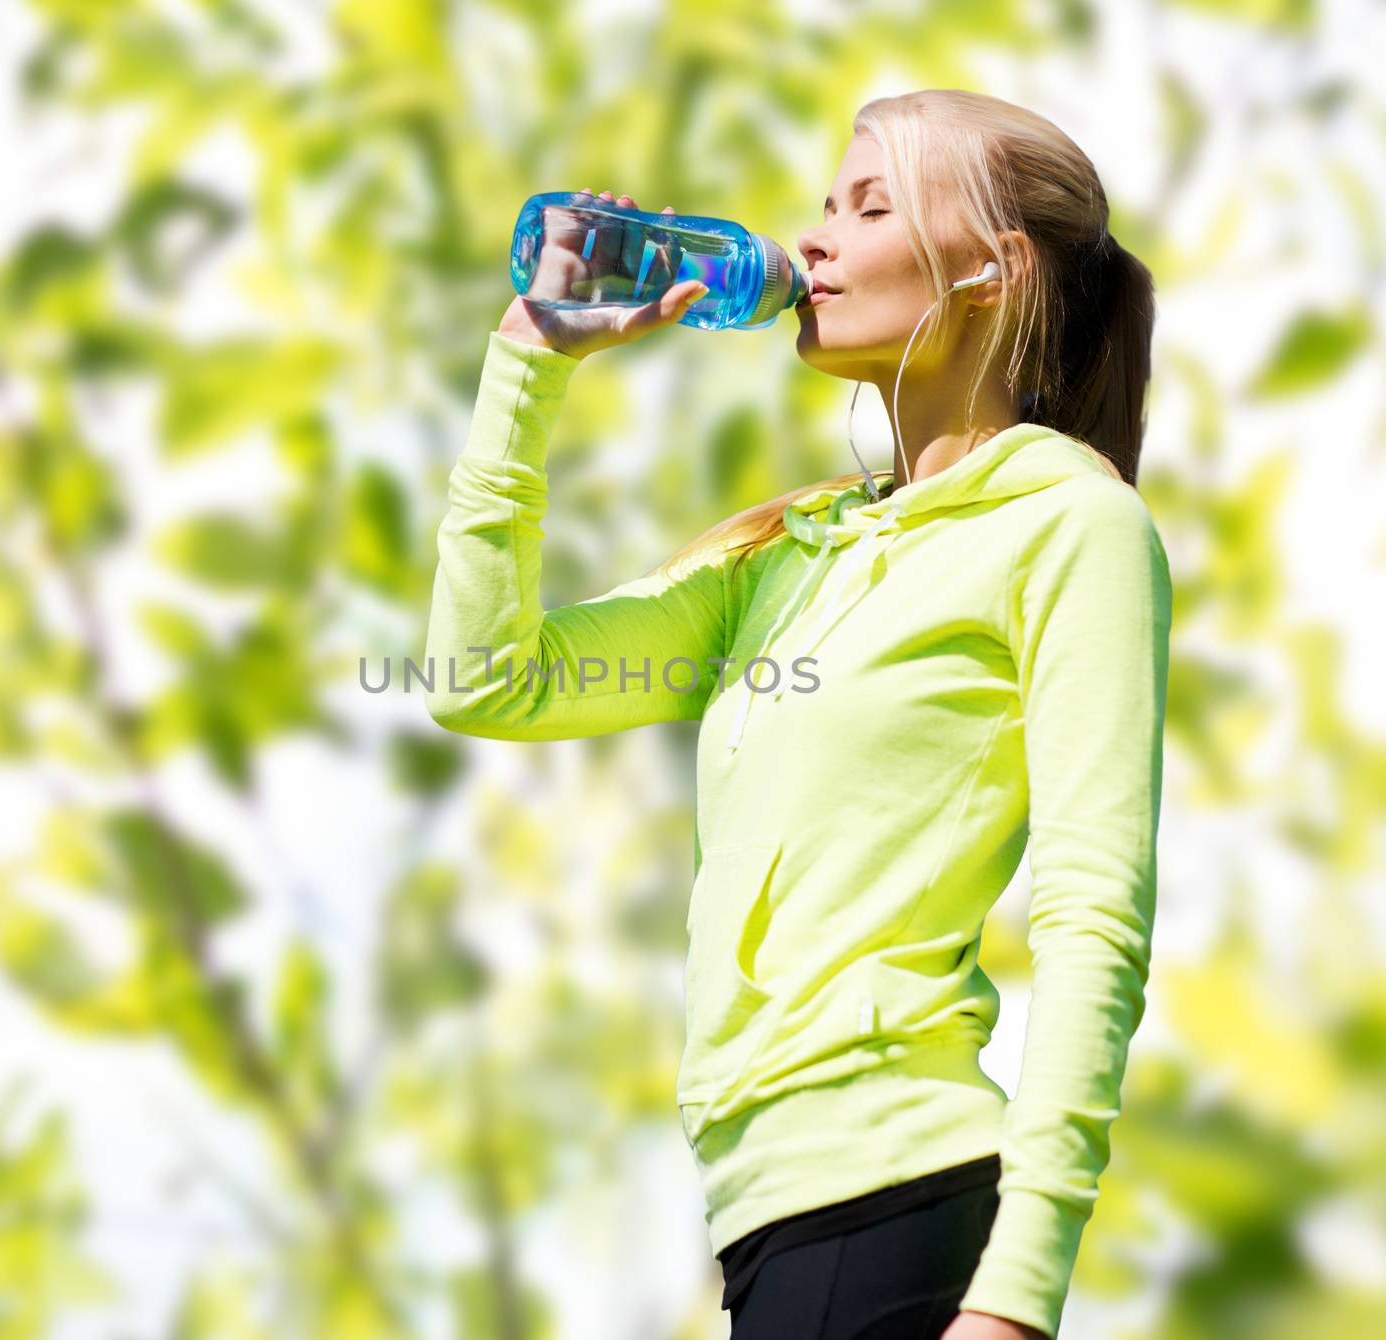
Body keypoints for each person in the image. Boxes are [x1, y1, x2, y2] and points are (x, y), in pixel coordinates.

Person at [423, 87, 1171, 1340]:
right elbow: (483, 682)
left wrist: (1017, 1294)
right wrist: (526, 369)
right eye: (823, 205)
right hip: (770, 1219)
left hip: (898, 1196)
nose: (813, 241)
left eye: (868, 205)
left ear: (993, 269)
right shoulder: (791, 550)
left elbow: (1095, 910)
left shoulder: (1070, 526)